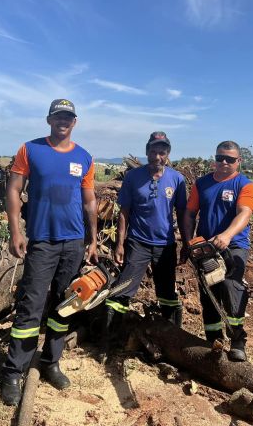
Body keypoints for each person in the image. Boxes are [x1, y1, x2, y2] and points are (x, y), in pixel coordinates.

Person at [0, 99, 98, 406]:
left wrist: (92, 239)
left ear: (74, 121)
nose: (63, 121)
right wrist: (17, 231)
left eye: (68, 117)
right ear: (49, 119)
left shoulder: (84, 157)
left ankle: (50, 362)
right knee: (31, 306)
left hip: (74, 243)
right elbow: (14, 190)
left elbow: (89, 201)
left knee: (64, 306)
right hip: (42, 241)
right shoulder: (30, 150)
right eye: (58, 116)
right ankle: (14, 372)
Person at [100, 132, 187, 358]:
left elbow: (184, 212)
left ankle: (171, 343)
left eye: (162, 152)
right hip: (137, 243)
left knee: (167, 293)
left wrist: (187, 243)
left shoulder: (176, 179)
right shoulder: (133, 177)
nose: (157, 156)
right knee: (122, 291)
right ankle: (110, 343)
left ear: (167, 155)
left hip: (165, 244)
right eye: (153, 151)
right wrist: (120, 244)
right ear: (147, 151)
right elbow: (124, 213)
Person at [181, 140, 253, 362]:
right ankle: (213, 339)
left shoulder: (245, 185)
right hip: (205, 247)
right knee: (209, 292)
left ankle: (237, 340)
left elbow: (244, 213)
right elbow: (189, 213)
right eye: (220, 158)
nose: (224, 162)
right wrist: (189, 242)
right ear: (214, 159)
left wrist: (227, 235)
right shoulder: (202, 184)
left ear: (239, 161)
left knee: (231, 287)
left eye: (230, 159)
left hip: (233, 245)